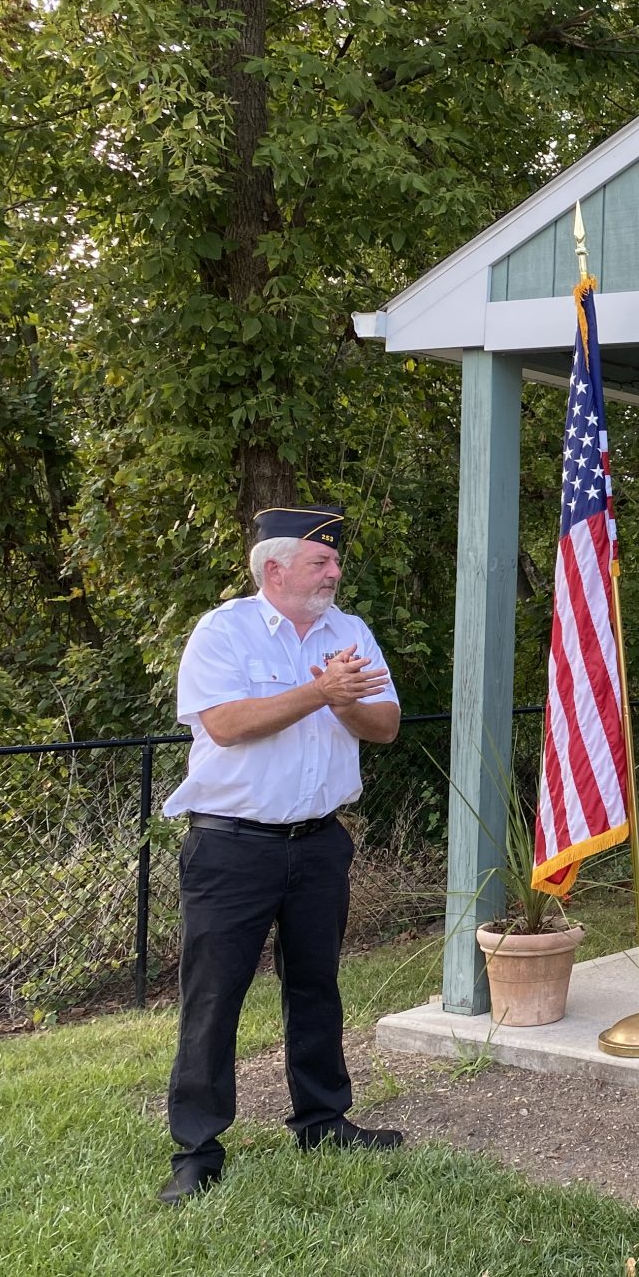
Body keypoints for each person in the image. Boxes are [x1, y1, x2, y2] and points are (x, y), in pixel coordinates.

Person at [156, 504, 404, 1206]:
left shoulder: (349, 632)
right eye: (321, 563)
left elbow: (382, 725)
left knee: (317, 987)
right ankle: (198, 1150)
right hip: (231, 846)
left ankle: (323, 1121)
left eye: (335, 563)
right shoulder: (224, 630)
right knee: (214, 997)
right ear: (276, 568)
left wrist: (344, 702)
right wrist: (319, 692)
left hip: (319, 842)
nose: (335, 572)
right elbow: (227, 724)